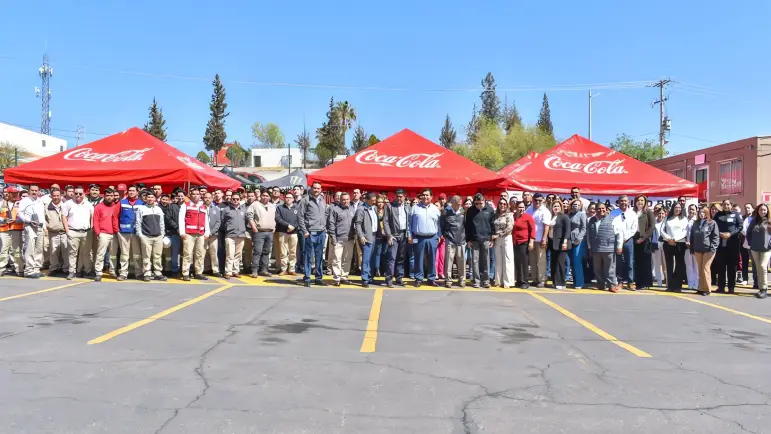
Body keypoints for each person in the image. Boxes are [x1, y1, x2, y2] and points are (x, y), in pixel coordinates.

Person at [410, 189, 441, 287]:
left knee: (432, 258)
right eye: (423, 195)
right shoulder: (415, 208)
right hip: (418, 237)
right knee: (418, 258)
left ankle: (431, 279)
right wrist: (409, 235)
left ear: (431, 197)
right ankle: (419, 278)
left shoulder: (435, 209)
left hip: (432, 237)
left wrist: (438, 235)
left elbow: (439, 224)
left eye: (427, 195)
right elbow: (409, 223)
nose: (425, 197)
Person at [587, 202, 622, 293]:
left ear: (606, 209)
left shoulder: (613, 219)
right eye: (598, 209)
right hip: (596, 248)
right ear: (596, 210)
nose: (601, 210)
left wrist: (619, 246)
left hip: (609, 248)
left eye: (602, 208)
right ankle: (600, 284)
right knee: (597, 268)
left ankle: (612, 285)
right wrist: (589, 247)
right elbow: (588, 235)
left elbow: (619, 234)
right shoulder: (592, 220)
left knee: (610, 268)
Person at [298, 181, 328, 287]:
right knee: (308, 256)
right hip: (310, 233)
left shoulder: (322, 200)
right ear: (311, 188)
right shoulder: (305, 200)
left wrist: (325, 229)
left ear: (321, 189)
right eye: (315, 188)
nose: (316, 190)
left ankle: (318, 278)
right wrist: (305, 231)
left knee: (319, 257)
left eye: (318, 188)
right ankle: (307, 278)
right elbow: (300, 217)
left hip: (321, 232)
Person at [63, 186, 94, 280]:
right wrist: (67, 230)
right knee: (72, 253)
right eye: (76, 193)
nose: (78, 195)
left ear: (84, 194)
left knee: (86, 253)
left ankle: (87, 271)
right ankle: (72, 272)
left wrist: (91, 229)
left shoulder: (89, 204)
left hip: (86, 232)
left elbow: (92, 217)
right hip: (73, 231)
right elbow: (63, 216)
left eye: (80, 194)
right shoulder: (68, 204)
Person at [178, 188, 210, 281]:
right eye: (194, 194)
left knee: (200, 254)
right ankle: (185, 273)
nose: (196, 196)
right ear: (190, 196)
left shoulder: (203, 206)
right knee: (187, 254)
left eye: (197, 194)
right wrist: (182, 232)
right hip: (189, 234)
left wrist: (207, 231)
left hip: (201, 234)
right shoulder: (185, 205)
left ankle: (198, 272)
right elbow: (181, 219)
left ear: (200, 196)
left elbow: (206, 220)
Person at [134, 192, 166, 282]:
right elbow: (138, 222)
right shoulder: (141, 209)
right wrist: (140, 235)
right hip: (146, 236)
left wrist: (162, 234)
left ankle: (158, 273)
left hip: (158, 236)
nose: (150, 199)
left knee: (157, 255)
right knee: (146, 256)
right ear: (145, 198)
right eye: (148, 197)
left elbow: (162, 223)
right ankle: (147, 272)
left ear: (155, 199)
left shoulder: (158, 209)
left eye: (152, 197)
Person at [465, 193, 494, 289]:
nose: (478, 205)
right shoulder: (470, 210)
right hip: (474, 239)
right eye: (476, 204)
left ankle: (485, 280)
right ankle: (476, 281)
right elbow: (467, 226)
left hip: (486, 239)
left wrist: (492, 238)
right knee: (475, 260)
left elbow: (492, 224)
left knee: (485, 260)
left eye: (480, 203)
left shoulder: (490, 210)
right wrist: (468, 239)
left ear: (484, 201)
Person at [713, 199, 743, 293]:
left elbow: (740, 226)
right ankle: (721, 287)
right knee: (721, 266)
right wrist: (719, 234)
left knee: (732, 266)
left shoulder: (736, 214)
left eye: (728, 204)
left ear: (731, 205)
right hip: (721, 243)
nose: (726, 206)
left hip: (732, 243)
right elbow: (714, 226)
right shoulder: (718, 215)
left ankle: (731, 287)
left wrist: (730, 234)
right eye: (724, 204)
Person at [383, 189, 412, 286]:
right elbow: (385, 222)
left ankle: (399, 278)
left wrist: (409, 235)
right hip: (394, 235)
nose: (399, 198)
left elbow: (410, 221)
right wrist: (389, 235)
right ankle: (389, 278)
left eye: (401, 196)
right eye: (398, 196)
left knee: (401, 257)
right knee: (392, 257)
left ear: (404, 196)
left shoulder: (408, 207)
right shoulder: (389, 206)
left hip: (404, 234)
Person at [327, 192, 356, 286]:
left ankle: (344, 277)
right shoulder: (335, 210)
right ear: (340, 200)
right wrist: (333, 237)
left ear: (349, 199)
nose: (345, 201)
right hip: (338, 238)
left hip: (350, 238)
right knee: (337, 259)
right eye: (343, 199)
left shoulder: (352, 209)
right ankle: (337, 278)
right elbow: (331, 224)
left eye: (347, 199)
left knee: (347, 259)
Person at [690, 205, 719, 296]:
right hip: (698, 249)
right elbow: (692, 237)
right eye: (700, 212)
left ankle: (707, 288)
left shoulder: (712, 222)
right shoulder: (695, 223)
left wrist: (713, 248)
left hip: (708, 250)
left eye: (704, 212)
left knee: (705, 268)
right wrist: (692, 248)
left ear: (707, 213)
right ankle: (701, 288)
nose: (702, 214)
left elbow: (715, 236)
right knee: (700, 269)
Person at [18, 185, 46, 278]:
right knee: (30, 248)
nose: (34, 192)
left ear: (38, 191)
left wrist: (44, 227)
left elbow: (42, 215)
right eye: (32, 190)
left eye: (36, 190)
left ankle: (36, 269)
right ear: (29, 191)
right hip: (30, 226)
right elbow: (20, 214)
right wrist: (28, 220)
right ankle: (29, 271)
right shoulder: (24, 201)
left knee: (39, 249)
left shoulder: (40, 201)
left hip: (40, 227)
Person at [610, 195, 638, 290]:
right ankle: (620, 281)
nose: (623, 203)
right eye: (621, 201)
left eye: (625, 201)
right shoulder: (613, 213)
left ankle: (630, 282)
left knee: (629, 262)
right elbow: (612, 226)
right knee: (619, 262)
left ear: (628, 202)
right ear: (618, 202)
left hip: (628, 240)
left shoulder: (633, 214)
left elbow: (634, 228)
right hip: (617, 240)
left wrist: (625, 238)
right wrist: (620, 239)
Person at [117, 185, 144, 280]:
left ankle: (138, 272)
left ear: (137, 192)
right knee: (124, 254)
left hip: (136, 233)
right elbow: (115, 216)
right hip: (124, 232)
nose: (131, 192)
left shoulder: (142, 203)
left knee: (137, 254)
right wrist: (117, 229)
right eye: (129, 190)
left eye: (133, 191)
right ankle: (123, 273)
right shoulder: (122, 202)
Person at [247, 190, 276, 278]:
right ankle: (254, 270)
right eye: (263, 195)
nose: (265, 197)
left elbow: (275, 218)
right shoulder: (255, 204)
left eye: (267, 196)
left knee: (267, 252)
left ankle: (264, 270)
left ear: (269, 197)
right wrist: (254, 227)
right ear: (260, 196)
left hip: (270, 232)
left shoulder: (272, 206)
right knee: (257, 251)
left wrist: (274, 227)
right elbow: (249, 216)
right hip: (259, 231)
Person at [92, 188, 119, 281]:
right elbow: (95, 221)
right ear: (104, 196)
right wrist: (98, 233)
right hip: (103, 233)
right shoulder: (98, 207)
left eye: (111, 196)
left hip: (114, 233)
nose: (109, 197)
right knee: (100, 254)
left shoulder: (116, 206)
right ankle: (98, 272)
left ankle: (112, 271)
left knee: (113, 255)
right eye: (107, 195)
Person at [661, 202, 688, 292]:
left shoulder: (684, 219)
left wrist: (675, 239)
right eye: (676, 207)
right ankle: (670, 285)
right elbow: (662, 230)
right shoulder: (667, 218)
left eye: (679, 208)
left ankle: (678, 286)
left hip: (680, 243)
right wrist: (669, 239)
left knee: (679, 265)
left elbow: (685, 232)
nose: (678, 209)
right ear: (673, 208)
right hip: (668, 243)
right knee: (669, 265)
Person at [440, 195, 465, 288]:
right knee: (449, 261)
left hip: (461, 240)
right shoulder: (446, 212)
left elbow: (466, 226)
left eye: (460, 204)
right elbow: (441, 225)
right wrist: (444, 235)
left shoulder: (463, 212)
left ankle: (462, 279)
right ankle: (448, 280)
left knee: (461, 261)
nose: (458, 206)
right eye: (457, 204)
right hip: (450, 239)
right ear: (453, 203)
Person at [355, 192, 379, 288]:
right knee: (366, 259)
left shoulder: (374, 208)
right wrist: (361, 236)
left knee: (372, 258)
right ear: (367, 200)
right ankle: (365, 278)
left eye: (374, 200)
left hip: (374, 235)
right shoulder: (361, 209)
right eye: (372, 200)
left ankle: (370, 277)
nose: (374, 202)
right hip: (366, 237)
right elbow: (358, 224)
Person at [527, 193, 551, 288]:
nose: (537, 202)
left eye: (540, 200)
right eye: (536, 200)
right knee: (532, 261)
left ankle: (541, 280)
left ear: (543, 200)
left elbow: (546, 226)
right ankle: (534, 279)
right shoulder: (529, 209)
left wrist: (544, 239)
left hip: (540, 239)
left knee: (541, 261)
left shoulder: (545, 211)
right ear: (532, 200)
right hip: (531, 239)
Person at [747, 203, 771, 299]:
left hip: (766, 249)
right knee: (758, 268)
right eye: (761, 210)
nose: (762, 211)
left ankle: (764, 288)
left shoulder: (769, 221)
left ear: (767, 211)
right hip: (755, 248)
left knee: (763, 266)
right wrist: (750, 242)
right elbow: (748, 233)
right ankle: (761, 288)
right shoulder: (754, 221)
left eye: (764, 210)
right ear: (758, 211)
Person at [221, 192, 247, 279]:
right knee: (230, 254)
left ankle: (236, 271)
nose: (235, 200)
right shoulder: (226, 210)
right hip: (230, 235)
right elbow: (222, 221)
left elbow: (246, 221)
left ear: (240, 200)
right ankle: (228, 272)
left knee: (238, 255)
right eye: (233, 199)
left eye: (237, 199)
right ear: (231, 200)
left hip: (241, 235)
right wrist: (227, 229)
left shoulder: (243, 210)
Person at [43, 188, 68, 277]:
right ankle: (54, 268)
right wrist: (48, 226)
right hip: (53, 232)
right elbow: (43, 219)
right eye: (54, 195)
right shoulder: (46, 207)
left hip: (65, 232)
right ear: (51, 196)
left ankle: (66, 268)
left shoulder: (66, 205)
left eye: (58, 195)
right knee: (53, 251)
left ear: (61, 196)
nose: (56, 197)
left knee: (66, 251)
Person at [632, 195, 655, 291]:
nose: (640, 202)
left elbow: (652, 227)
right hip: (634, 237)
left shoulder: (648, 212)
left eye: (642, 200)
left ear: (645, 202)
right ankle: (638, 282)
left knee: (645, 262)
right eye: (638, 200)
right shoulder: (632, 212)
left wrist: (644, 237)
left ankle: (645, 282)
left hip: (644, 239)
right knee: (636, 262)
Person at [491, 198, 515, 288]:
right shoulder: (495, 215)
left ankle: (507, 282)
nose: (502, 205)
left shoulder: (509, 215)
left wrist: (499, 234)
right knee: (498, 260)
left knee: (507, 259)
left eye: (504, 204)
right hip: (497, 239)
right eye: (501, 203)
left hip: (506, 238)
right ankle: (498, 281)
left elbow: (509, 228)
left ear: (507, 205)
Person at [275, 191, 299, 276]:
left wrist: (293, 227)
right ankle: (283, 269)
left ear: (293, 199)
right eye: (287, 197)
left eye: (290, 197)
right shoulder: (280, 208)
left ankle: (292, 269)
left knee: (293, 252)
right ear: (284, 199)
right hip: (283, 232)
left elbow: (300, 219)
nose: (288, 199)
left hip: (294, 233)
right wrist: (288, 225)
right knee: (283, 252)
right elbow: (278, 218)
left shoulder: (297, 208)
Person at [371, 194, 393, 287]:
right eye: (378, 202)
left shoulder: (386, 210)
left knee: (385, 253)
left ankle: (383, 270)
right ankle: (377, 269)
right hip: (377, 235)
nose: (380, 204)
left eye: (381, 202)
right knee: (377, 253)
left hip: (386, 235)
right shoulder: (374, 210)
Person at [512, 201, 535, 289]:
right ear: (516, 208)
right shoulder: (513, 217)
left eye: (523, 207)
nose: (521, 209)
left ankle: (524, 281)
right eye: (519, 207)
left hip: (524, 242)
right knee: (517, 262)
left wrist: (531, 241)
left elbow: (533, 229)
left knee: (524, 263)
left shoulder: (528, 217)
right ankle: (518, 280)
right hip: (515, 242)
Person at [548, 200, 570, 289]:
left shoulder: (564, 217)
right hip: (552, 243)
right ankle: (554, 281)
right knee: (553, 263)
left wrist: (565, 241)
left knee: (560, 263)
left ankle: (561, 283)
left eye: (558, 206)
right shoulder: (551, 217)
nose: (556, 208)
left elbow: (567, 230)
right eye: (554, 206)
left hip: (561, 243)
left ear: (561, 207)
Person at [567, 199, 587, 289]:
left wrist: (579, 238)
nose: (576, 206)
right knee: (571, 262)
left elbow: (584, 228)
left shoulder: (582, 214)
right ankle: (574, 281)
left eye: (578, 205)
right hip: (570, 239)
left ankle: (579, 282)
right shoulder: (570, 214)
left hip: (578, 240)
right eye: (574, 204)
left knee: (577, 261)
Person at [160, 193, 181, 277]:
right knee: (168, 251)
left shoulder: (181, 207)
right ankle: (168, 269)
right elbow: (168, 219)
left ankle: (174, 268)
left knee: (179, 252)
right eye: (174, 198)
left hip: (178, 232)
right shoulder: (158, 207)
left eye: (177, 198)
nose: (176, 199)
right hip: (168, 233)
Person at [203, 192, 222, 277]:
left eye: (209, 197)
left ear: (212, 198)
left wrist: (211, 232)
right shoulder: (200, 208)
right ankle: (205, 268)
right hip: (202, 234)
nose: (207, 199)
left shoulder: (216, 209)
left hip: (213, 235)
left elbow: (218, 222)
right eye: (206, 197)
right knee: (203, 252)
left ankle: (215, 270)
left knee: (213, 252)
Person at [683, 204, 700, 290]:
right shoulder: (685, 220)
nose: (691, 211)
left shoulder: (697, 221)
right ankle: (690, 283)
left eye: (693, 209)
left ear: (696, 211)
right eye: (690, 209)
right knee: (689, 266)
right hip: (687, 247)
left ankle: (696, 284)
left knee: (696, 266)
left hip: (696, 247)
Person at [739, 203, 756, 287]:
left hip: (754, 244)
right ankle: (745, 279)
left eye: (749, 208)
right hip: (744, 243)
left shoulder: (756, 218)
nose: (747, 209)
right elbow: (742, 230)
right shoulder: (743, 218)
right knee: (744, 261)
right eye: (745, 208)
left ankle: (755, 280)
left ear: (753, 209)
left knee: (754, 263)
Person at [652, 206, 667, 287]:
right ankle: (659, 281)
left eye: (662, 213)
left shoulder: (666, 222)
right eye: (659, 213)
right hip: (656, 245)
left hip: (665, 245)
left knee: (666, 263)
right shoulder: (654, 222)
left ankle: (667, 280)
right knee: (657, 264)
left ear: (665, 214)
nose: (661, 215)